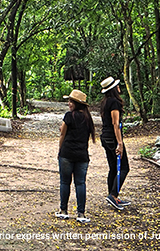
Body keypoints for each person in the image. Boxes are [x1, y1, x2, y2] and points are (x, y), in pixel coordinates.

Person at [56, 89, 96, 223]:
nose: (69, 104)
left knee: (65, 182)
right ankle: (81, 213)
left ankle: (63, 210)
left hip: (67, 153)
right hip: (82, 155)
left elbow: (62, 134)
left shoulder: (69, 116)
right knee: (80, 183)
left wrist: (60, 149)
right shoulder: (88, 119)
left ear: (77, 104)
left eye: (71, 101)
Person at [100, 76, 131, 210]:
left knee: (113, 167)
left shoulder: (105, 101)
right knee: (124, 167)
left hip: (105, 137)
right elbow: (115, 123)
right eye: (117, 86)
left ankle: (113, 197)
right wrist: (120, 143)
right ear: (113, 89)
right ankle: (113, 194)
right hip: (112, 138)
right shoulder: (114, 103)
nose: (120, 88)